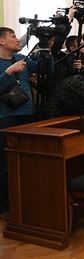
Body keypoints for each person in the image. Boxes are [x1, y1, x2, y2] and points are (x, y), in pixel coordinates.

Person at [0, 27, 39, 213]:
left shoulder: (20, 58)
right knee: (6, 165)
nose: (18, 39)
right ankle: (5, 205)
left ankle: (23, 200)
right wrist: (8, 72)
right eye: (13, 36)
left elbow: (44, 68)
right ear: (1, 41)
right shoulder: (9, 63)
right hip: (6, 118)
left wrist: (47, 49)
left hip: (26, 115)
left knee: (25, 162)